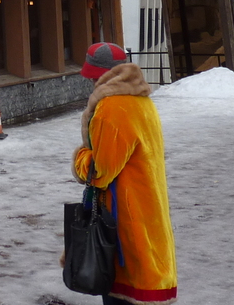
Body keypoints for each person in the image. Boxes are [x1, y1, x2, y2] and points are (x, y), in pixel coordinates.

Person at [71, 42, 177, 305]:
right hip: (147, 208)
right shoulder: (141, 102)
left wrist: (80, 159)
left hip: (124, 219)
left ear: (100, 74)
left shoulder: (112, 107)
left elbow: (101, 171)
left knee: (123, 295)